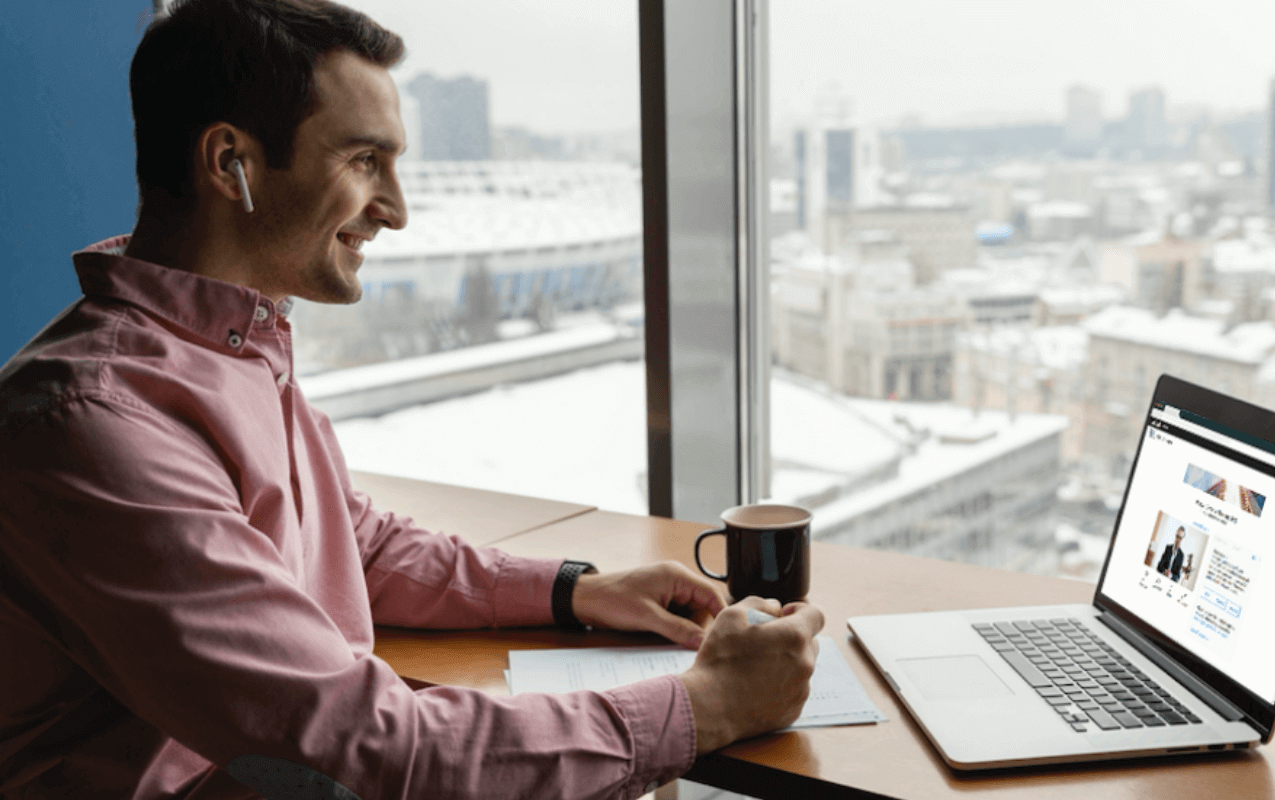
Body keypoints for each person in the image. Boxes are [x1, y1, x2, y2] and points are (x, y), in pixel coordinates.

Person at [0, 1, 824, 798]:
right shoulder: (95, 424)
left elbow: (353, 544)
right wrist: (705, 707)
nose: (396, 209)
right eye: (364, 161)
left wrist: (571, 590)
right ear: (230, 164)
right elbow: (372, 747)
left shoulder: (230, 350)